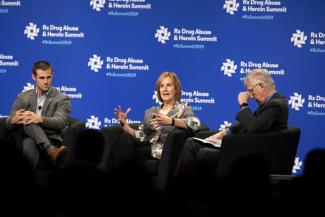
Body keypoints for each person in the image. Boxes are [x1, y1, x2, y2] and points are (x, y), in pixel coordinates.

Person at [175, 68, 289, 177]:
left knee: (203, 151)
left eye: (250, 90)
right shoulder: (270, 103)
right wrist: (223, 133)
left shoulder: (276, 105)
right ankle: (183, 187)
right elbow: (247, 124)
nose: (251, 96)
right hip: (243, 145)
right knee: (192, 143)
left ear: (261, 86)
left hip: (249, 151)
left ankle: (181, 189)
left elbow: (254, 127)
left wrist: (243, 104)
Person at [112, 71, 201, 170]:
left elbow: (196, 123)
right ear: (158, 90)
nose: (165, 89)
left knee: (129, 158)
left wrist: (171, 121)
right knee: (123, 140)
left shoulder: (183, 108)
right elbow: (142, 136)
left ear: (176, 89)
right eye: (162, 86)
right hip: (147, 148)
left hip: (163, 153)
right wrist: (124, 124)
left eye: (169, 85)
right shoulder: (151, 111)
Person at [5, 60, 71, 168]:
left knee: (29, 128)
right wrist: (13, 120)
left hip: (49, 137)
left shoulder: (62, 99)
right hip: (24, 136)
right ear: (34, 77)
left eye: (48, 77)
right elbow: (7, 124)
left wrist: (39, 119)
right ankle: (51, 151)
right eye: (42, 78)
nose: (46, 81)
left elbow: (61, 122)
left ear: (52, 75)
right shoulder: (23, 97)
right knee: (28, 121)